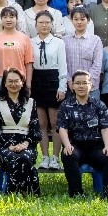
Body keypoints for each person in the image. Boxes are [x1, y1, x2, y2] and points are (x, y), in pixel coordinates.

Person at [57, 70, 108, 199]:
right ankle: (76, 193)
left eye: (84, 83)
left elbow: (105, 128)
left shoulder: (99, 105)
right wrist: (67, 145)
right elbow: (62, 128)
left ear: (91, 85)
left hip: (96, 147)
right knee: (69, 155)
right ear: (72, 85)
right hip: (75, 145)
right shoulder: (65, 105)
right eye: (77, 83)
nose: (81, 86)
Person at [0, 68, 42, 196]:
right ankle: (26, 192)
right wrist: (9, 146)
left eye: (16, 81)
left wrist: (25, 144)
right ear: (5, 83)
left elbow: (35, 130)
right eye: (10, 81)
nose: (13, 84)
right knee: (16, 158)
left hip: (27, 145)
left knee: (24, 156)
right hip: (3, 146)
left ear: (22, 83)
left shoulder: (31, 103)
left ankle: (15, 192)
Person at [30, 11, 68, 168]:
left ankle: (55, 157)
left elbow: (63, 66)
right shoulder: (31, 42)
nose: (44, 25)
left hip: (53, 80)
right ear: (36, 25)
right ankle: (45, 157)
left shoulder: (58, 43)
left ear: (52, 25)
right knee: (42, 123)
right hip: (37, 80)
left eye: (47, 22)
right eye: (41, 22)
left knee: (55, 122)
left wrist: (62, 87)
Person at [0, 7, 33, 96]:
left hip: (19, 79)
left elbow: (29, 63)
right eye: (5, 17)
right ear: (1, 19)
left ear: (17, 19)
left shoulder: (24, 38)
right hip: (0, 78)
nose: (8, 20)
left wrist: (28, 84)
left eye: (11, 17)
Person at [64, 7, 102, 100]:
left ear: (88, 20)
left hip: (91, 87)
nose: (79, 22)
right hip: (71, 87)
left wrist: (86, 83)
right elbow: (63, 64)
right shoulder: (65, 40)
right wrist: (70, 81)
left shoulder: (95, 40)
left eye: (82, 19)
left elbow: (97, 64)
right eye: (76, 19)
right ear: (71, 20)